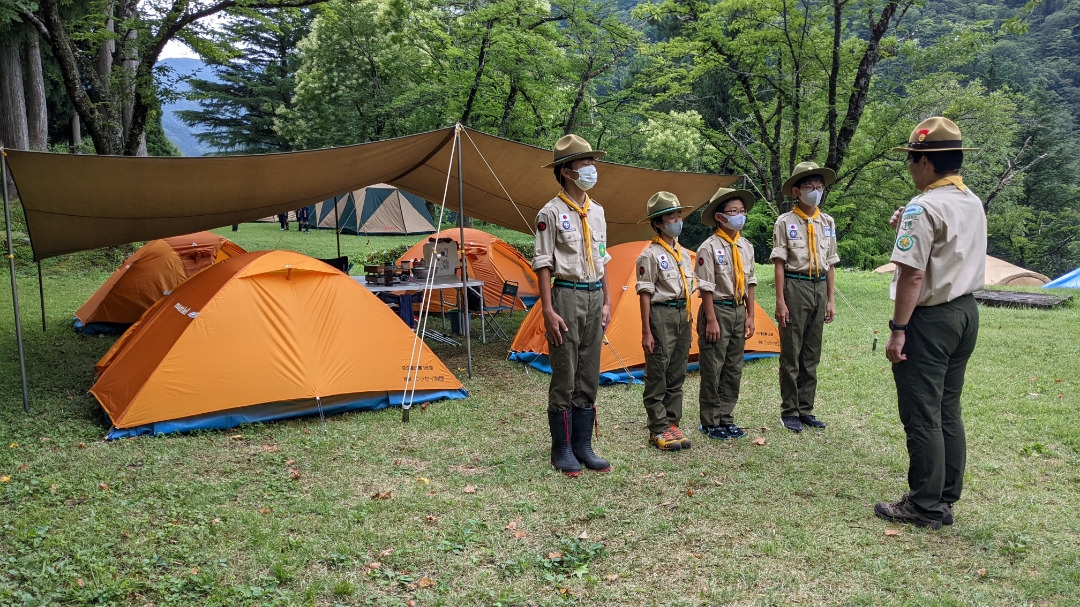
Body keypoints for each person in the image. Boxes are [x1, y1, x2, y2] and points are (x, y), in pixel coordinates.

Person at [874, 117, 985, 529]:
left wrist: (898, 328)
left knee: (922, 411)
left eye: (911, 160)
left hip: (930, 318)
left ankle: (924, 504)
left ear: (924, 162)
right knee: (947, 408)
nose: (909, 168)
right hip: (965, 312)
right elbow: (949, 246)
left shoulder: (924, 207)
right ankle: (945, 494)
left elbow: (913, 274)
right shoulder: (969, 199)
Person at [534, 134, 612, 477]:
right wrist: (548, 310)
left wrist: (608, 299)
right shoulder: (550, 213)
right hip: (566, 294)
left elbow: (602, 258)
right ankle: (562, 448)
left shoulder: (597, 212)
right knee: (565, 371)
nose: (592, 169)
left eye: (592, 163)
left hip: (596, 295)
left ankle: (583, 445)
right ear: (566, 171)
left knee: (588, 372)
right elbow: (543, 263)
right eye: (584, 164)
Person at [771, 161, 839, 433]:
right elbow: (779, 263)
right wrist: (780, 300)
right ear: (797, 192)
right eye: (809, 187)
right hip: (795, 285)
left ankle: (805, 408)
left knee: (811, 353)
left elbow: (830, 261)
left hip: (819, 286)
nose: (815, 191)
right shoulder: (785, 222)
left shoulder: (828, 222)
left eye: (819, 187)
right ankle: (789, 410)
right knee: (792, 352)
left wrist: (831, 299)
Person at [695, 188, 758, 441]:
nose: (739, 216)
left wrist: (751, 315)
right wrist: (710, 320)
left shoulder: (746, 246)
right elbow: (706, 287)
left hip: (738, 309)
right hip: (717, 310)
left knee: (733, 367)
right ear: (720, 217)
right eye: (734, 212)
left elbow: (750, 282)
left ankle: (726, 417)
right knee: (713, 366)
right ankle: (710, 421)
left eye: (742, 211)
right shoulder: (708, 248)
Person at [635, 191, 695, 451]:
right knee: (658, 370)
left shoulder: (681, 252)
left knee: (677, 371)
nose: (678, 220)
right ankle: (657, 427)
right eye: (672, 216)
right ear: (659, 222)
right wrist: (646, 330)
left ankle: (672, 422)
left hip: (684, 313)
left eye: (679, 215)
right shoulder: (649, 255)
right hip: (661, 314)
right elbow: (645, 293)